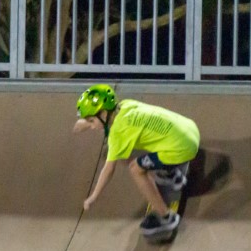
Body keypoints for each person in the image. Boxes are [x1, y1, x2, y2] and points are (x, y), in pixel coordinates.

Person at [74, 84, 200, 236]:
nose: (92, 126)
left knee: (135, 168)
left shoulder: (118, 133)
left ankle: (165, 217)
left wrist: (93, 197)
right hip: (189, 130)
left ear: (104, 113)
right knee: (139, 146)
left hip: (183, 148)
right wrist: (87, 123)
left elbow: (108, 170)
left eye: (91, 121)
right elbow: (104, 121)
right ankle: (170, 172)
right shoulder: (125, 105)